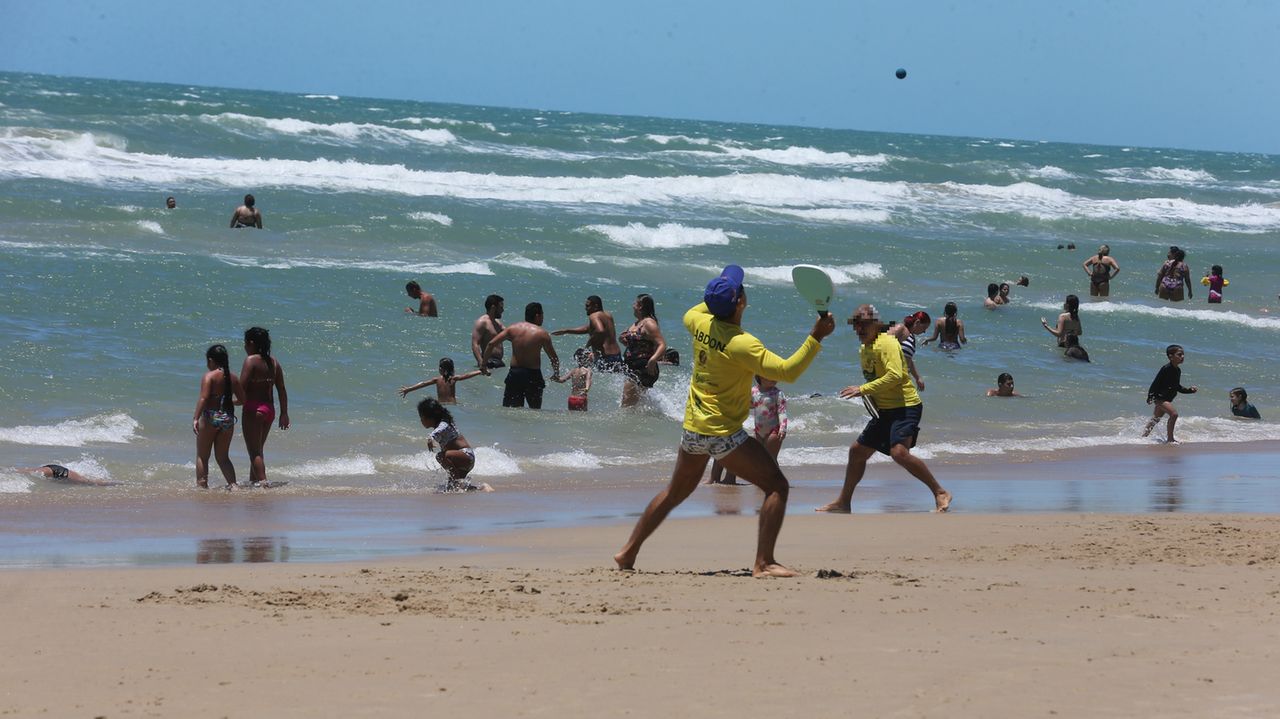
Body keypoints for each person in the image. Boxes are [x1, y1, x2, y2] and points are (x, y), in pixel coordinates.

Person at [615, 264, 834, 577]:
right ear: (741, 303)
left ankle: (627, 552)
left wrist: (720, 293)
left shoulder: (696, 321)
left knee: (673, 493)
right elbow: (788, 372)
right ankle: (764, 562)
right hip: (723, 435)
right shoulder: (743, 344)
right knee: (777, 486)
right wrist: (816, 336)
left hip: (692, 429)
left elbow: (704, 306)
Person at [817, 304, 952, 514]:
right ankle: (844, 502)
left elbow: (895, 376)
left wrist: (862, 389)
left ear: (876, 324)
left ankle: (939, 492)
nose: (859, 329)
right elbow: (876, 379)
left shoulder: (886, 343)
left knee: (898, 452)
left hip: (906, 406)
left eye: (864, 324)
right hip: (886, 410)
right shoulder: (865, 348)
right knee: (857, 452)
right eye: (856, 325)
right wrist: (871, 399)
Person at [706, 375, 789, 486]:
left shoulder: (778, 393)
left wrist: (783, 428)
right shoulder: (753, 391)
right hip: (758, 431)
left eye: (776, 376)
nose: (775, 379)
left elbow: (782, 412)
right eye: (770, 376)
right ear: (760, 377)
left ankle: (776, 481)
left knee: (771, 458)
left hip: (774, 430)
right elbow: (745, 405)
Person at [485, 302, 560, 409]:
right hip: (533, 376)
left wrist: (483, 365)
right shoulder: (542, 334)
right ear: (537, 315)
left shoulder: (512, 329)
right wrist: (556, 373)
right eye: (542, 315)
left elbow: (491, 344)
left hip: (515, 374)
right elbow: (553, 358)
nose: (543, 318)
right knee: (534, 411)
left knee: (510, 410)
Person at [241, 327, 290, 486]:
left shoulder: (251, 361)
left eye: (245, 343)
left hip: (253, 410)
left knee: (254, 452)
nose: (244, 347)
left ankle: (263, 484)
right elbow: (281, 389)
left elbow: (241, 389)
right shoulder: (274, 363)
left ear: (251, 343)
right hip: (269, 410)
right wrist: (284, 414)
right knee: (258, 451)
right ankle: (253, 483)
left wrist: (228, 402)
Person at [193, 343, 245, 489]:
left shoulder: (209, 376)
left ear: (211, 360)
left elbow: (203, 398)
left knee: (203, 456)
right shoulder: (233, 377)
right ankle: (233, 486)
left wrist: (195, 418)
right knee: (223, 458)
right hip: (227, 419)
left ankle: (202, 487)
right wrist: (230, 402)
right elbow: (242, 400)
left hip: (210, 417)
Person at [417, 397, 491, 492]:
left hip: (466, 455)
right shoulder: (440, 427)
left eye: (421, 417)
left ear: (430, 417)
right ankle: (482, 488)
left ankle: (457, 482)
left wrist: (431, 437)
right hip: (459, 461)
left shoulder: (444, 424)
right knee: (452, 487)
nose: (421, 420)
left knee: (441, 456)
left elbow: (440, 429)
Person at [619, 293, 668, 407]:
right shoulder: (637, 323)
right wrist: (624, 340)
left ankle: (625, 424)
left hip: (643, 368)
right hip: (633, 367)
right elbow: (638, 344)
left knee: (626, 406)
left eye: (635, 303)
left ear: (640, 306)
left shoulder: (649, 323)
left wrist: (652, 360)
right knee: (634, 405)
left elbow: (662, 344)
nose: (633, 306)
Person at [1142, 344, 1197, 444]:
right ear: (1170, 357)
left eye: (1183, 355)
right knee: (1174, 414)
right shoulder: (1166, 368)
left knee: (1155, 419)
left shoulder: (1177, 370)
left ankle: (1142, 438)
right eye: (1179, 355)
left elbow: (1177, 387)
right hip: (1160, 398)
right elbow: (1156, 382)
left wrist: (1189, 390)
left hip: (1167, 399)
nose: (1182, 357)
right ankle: (1170, 439)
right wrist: (1150, 396)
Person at [552, 295, 623, 371]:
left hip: (605, 357)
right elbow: (589, 328)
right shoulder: (608, 315)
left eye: (587, 306)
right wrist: (567, 331)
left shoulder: (594, 316)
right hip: (617, 355)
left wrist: (588, 344)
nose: (585, 308)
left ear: (595, 306)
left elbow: (600, 331)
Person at [399, 357, 483, 404]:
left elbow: (423, 384)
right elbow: (467, 375)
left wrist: (408, 389)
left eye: (439, 367)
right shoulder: (453, 379)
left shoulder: (436, 380)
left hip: (441, 405)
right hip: (452, 404)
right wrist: (479, 371)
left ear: (441, 369)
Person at [887, 310, 930, 392]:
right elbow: (883, 344)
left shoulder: (911, 337)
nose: (924, 331)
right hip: (891, 375)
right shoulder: (901, 328)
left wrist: (918, 377)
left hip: (901, 378)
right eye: (924, 328)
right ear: (917, 322)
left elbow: (908, 359)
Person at [470, 294, 506, 370]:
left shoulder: (498, 323)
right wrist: (481, 362)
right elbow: (475, 344)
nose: (503, 310)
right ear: (493, 308)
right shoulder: (482, 322)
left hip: (498, 362)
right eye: (501, 307)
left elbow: (510, 335)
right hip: (488, 362)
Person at [17, 465, 119, 486]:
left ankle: (115, 483)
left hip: (57, 471)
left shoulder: (17, 472)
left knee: (88, 482)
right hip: (52, 470)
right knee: (85, 482)